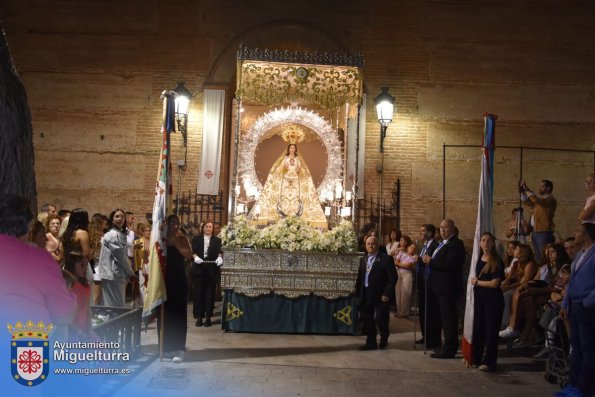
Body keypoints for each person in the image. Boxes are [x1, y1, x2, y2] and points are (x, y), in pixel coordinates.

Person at [0, 193, 76, 328]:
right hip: (24, 343)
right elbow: (64, 317)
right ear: (29, 225)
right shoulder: (40, 259)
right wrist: (73, 299)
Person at [557, 222, 595, 397]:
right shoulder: (580, 255)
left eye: (579, 231)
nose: (576, 233)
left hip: (586, 307)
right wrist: (565, 303)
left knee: (588, 349)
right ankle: (573, 383)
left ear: (587, 235)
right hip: (573, 306)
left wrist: (587, 302)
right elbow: (571, 283)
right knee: (576, 347)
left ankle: (583, 387)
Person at [250, 143, 327, 229]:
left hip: (296, 183)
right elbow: (278, 170)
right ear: (288, 149)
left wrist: (300, 169)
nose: (292, 149)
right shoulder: (284, 159)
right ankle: (282, 216)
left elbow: (304, 172)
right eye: (291, 148)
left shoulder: (298, 160)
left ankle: (297, 217)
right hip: (285, 183)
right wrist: (284, 167)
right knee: (283, 199)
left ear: (295, 149)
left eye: (294, 148)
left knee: (297, 200)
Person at [422, 219, 466, 359]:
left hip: (448, 287)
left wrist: (431, 261)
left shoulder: (456, 244)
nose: (443, 230)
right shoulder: (443, 243)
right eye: (441, 228)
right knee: (443, 318)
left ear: (453, 228)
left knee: (449, 319)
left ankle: (449, 348)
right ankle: (443, 345)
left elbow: (450, 264)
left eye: (446, 227)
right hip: (439, 287)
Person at [469, 232, 505, 372]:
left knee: (491, 332)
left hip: (492, 301)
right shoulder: (477, 259)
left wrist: (477, 282)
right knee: (478, 329)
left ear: (492, 243)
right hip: (479, 300)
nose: (485, 243)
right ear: (479, 243)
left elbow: (495, 283)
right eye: (483, 240)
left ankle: (489, 361)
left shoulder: (497, 261)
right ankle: (476, 358)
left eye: (488, 241)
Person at [354, 236, 397, 350]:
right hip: (366, 293)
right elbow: (360, 278)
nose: (370, 246)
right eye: (368, 244)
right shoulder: (363, 259)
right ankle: (371, 342)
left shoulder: (386, 259)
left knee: (380, 319)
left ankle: (384, 336)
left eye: (373, 244)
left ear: (377, 245)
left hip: (380, 295)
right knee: (367, 318)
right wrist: (358, 294)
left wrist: (387, 294)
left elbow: (393, 278)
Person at [161, 215, 193, 363]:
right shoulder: (161, 239)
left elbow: (188, 254)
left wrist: (176, 243)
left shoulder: (182, 238)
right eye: (172, 223)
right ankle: (166, 346)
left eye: (177, 224)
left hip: (178, 279)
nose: (175, 226)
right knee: (166, 314)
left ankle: (179, 348)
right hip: (165, 280)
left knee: (179, 314)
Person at [97, 208, 134, 307]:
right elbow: (120, 257)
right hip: (112, 275)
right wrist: (131, 273)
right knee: (115, 306)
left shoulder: (118, 234)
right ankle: (114, 323)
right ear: (112, 220)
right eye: (117, 216)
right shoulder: (113, 235)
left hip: (117, 274)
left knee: (116, 305)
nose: (120, 219)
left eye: (122, 217)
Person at [191, 220, 223, 327]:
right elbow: (193, 251)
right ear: (203, 228)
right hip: (199, 269)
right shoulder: (196, 239)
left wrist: (220, 257)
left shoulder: (217, 240)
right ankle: (200, 317)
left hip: (211, 270)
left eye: (210, 227)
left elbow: (220, 251)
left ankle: (208, 318)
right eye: (206, 226)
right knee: (199, 294)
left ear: (213, 229)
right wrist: (195, 257)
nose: (208, 228)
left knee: (209, 295)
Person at [415, 223, 440, 347]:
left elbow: (432, 262)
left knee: (430, 311)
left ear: (430, 233)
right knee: (423, 311)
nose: (421, 234)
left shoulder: (436, 246)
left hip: (429, 282)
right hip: (421, 281)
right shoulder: (423, 245)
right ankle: (425, 335)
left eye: (423, 231)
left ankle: (432, 339)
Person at [519, 179, 557, 262]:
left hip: (544, 232)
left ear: (548, 188)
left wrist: (526, 189)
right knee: (538, 256)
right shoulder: (540, 201)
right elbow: (528, 202)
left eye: (542, 186)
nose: (540, 188)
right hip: (535, 231)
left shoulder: (550, 200)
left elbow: (536, 200)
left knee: (544, 256)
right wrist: (522, 192)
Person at [393, 235, 415, 317]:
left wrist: (399, 264)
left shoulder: (413, 257)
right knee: (398, 292)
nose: (412, 249)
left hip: (407, 274)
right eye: (411, 247)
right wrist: (401, 264)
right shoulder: (401, 253)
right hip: (398, 273)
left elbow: (408, 266)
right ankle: (399, 311)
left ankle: (404, 312)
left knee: (405, 293)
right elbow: (395, 262)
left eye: (413, 248)